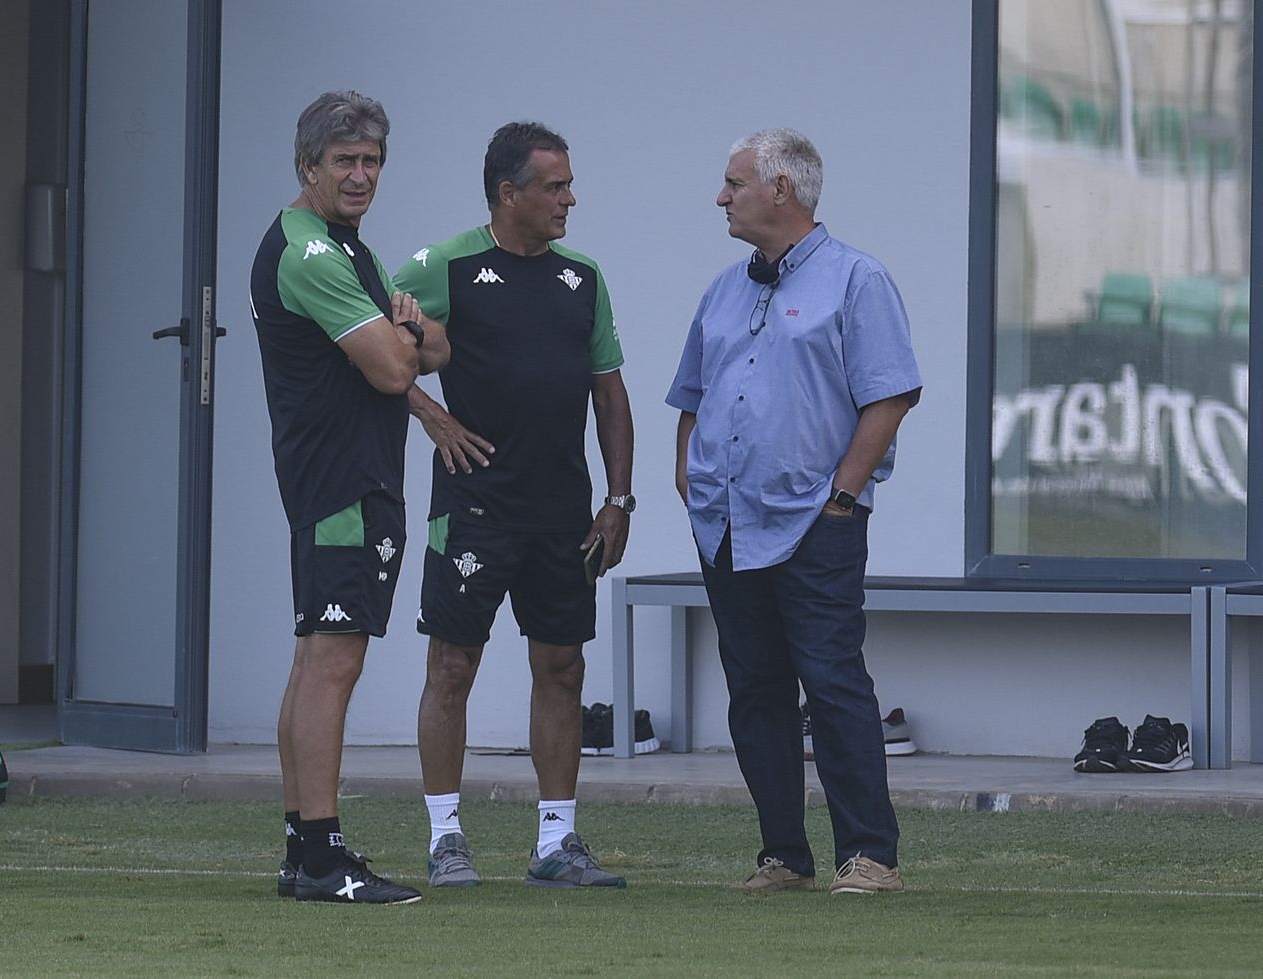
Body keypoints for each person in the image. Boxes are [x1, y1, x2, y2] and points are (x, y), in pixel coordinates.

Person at [666, 128, 921, 895]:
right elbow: (691, 396)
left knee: (834, 682)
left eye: (733, 182)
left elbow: (891, 395)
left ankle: (869, 854)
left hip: (817, 522)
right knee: (756, 690)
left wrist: (842, 496)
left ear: (781, 190)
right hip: (727, 523)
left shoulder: (857, 281)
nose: (721, 196)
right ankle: (784, 855)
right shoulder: (723, 288)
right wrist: (690, 478)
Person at [393, 121, 634, 889]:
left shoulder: (583, 277)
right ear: (509, 193)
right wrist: (432, 416)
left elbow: (609, 390)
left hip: (563, 508)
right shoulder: (444, 266)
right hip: (472, 503)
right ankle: (445, 837)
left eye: (568, 183)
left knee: (562, 664)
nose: (570, 198)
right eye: (554, 186)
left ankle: (556, 843)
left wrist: (618, 499)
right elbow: (362, 336)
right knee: (453, 663)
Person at [249, 90, 449, 904]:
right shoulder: (314, 255)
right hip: (341, 482)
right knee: (333, 659)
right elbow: (402, 366)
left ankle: (304, 849)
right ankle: (326, 859)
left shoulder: (343, 244)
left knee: (313, 659)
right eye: (345, 162)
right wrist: (403, 334)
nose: (361, 174)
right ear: (308, 166)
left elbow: (432, 340)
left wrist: (404, 331)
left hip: (340, 477)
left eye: (371, 161)